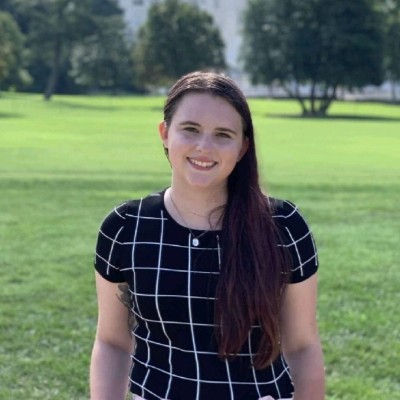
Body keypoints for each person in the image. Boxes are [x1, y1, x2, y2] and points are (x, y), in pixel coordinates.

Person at [90, 71, 325, 400]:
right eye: (190, 129)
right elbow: (112, 342)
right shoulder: (126, 227)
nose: (204, 147)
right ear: (164, 133)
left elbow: (302, 346)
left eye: (223, 134)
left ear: (243, 147)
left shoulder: (284, 226)